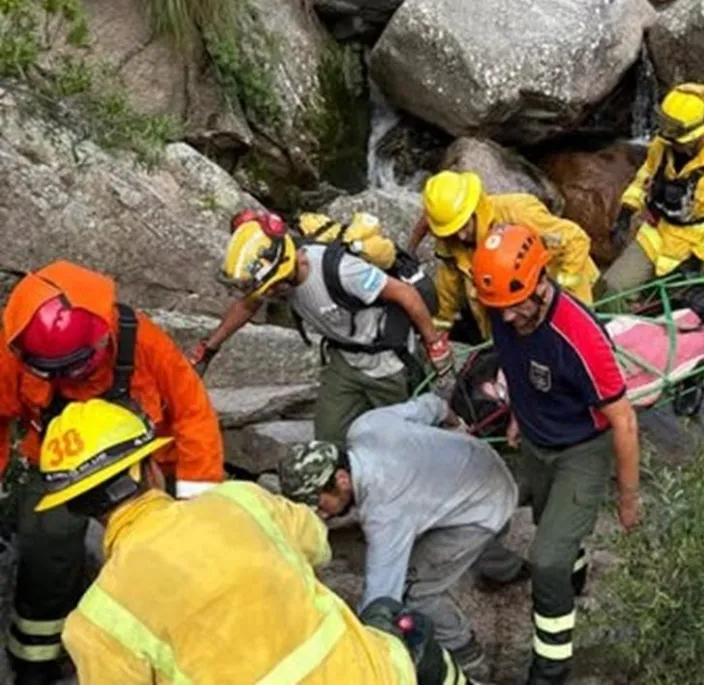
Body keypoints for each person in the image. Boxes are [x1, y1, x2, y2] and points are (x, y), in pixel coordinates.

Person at [34, 399, 458, 684]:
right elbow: (317, 544)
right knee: (400, 628)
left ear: (76, 508)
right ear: (149, 468)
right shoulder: (240, 500)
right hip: (369, 676)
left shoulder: (95, 624)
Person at [0, 261, 224, 684]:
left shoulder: (140, 341)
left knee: (166, 553)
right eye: (55, 371)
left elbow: (193, 413)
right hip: (61, 469)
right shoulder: (14, 355)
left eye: (77, 365)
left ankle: (173, 643)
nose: (70, 377)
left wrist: (198, 503)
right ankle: (35, 658)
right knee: (48, 549)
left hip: (142, 464)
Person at [472, 223, 641, 685]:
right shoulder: (503, 309)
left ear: (540, 282)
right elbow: (516, 365)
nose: (508, 318)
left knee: (546, 559)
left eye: (516, 306)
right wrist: (517, 414)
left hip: (580, 448)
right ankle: (575, 575)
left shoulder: (579, 337)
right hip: (536, 439)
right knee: (552, 525)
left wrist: (628, 498)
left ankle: (551, 667)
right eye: (500, 309)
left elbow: (624, 419)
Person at [279, 393, 520, 680]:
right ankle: (510, 570)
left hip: (486, 505)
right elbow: (434, 404)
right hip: (482, 460)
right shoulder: (365, 427)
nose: (320, 514)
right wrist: (457, 427)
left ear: (342, 480)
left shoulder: (384, 509)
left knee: (415, 589)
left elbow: (382, 599)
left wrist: (362, 654)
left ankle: (464, 649)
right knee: (452, 537)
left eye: (320, 505)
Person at [190, 212, 453, 444]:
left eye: (267, 289)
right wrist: (209, 348)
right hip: (344, 361)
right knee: (328, 440)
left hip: (387, 362)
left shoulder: (341, 270)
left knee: (404, 440)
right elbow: (246, 306)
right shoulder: (281, 277)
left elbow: (405, 294)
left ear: (281, 273)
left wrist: (435, 345)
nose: (266, 295)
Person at [601, 82, 704, 296]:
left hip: (694, 246)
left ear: (699, 134)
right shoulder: (663, 144)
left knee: (670, 307)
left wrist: (699, 257)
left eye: (678, 141)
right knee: (612, 288)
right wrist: (626, 212)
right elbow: (645, 177)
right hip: (655, 235)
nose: (672, 144)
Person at [421, 170, 599, 343]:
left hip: (562, 295)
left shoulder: (517, 212)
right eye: (453, 232)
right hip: (516, 315)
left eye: (464, 226)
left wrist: (562, 294)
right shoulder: (451, 242)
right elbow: (448, 286)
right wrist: (439, 327)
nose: (461, 237)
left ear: (475, 209)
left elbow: (575, 240)